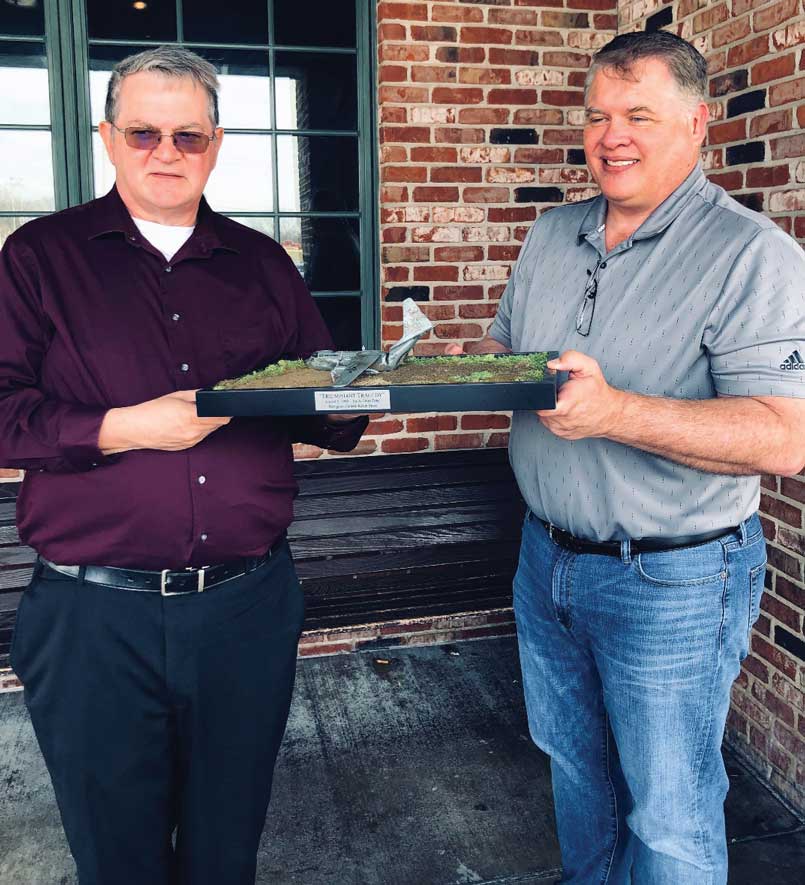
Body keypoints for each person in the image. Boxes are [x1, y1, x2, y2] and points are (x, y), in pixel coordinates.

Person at [0, 47, 367, 885]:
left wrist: (366, 394)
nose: (166, 152)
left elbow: (316, 395)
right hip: (95, 619)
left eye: (188, 136)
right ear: (107, 137)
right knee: (116, 857)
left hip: (247, 608)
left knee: (224, 851)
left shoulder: (262, 262)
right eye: (143, 132)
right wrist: (120, 427)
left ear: (216, 143)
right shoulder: (38, 257)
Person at [456, 31, 805, 885]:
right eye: (598, 115)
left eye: (638, 114)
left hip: (672, 579)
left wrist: (615, 412)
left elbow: (784, 437)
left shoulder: (749, 254)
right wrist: (416, 374)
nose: (612, 135)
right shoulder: (551, 233)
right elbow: (502, 354)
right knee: (579, 781)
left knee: (670, 810)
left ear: (696, 123)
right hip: (545, 562)